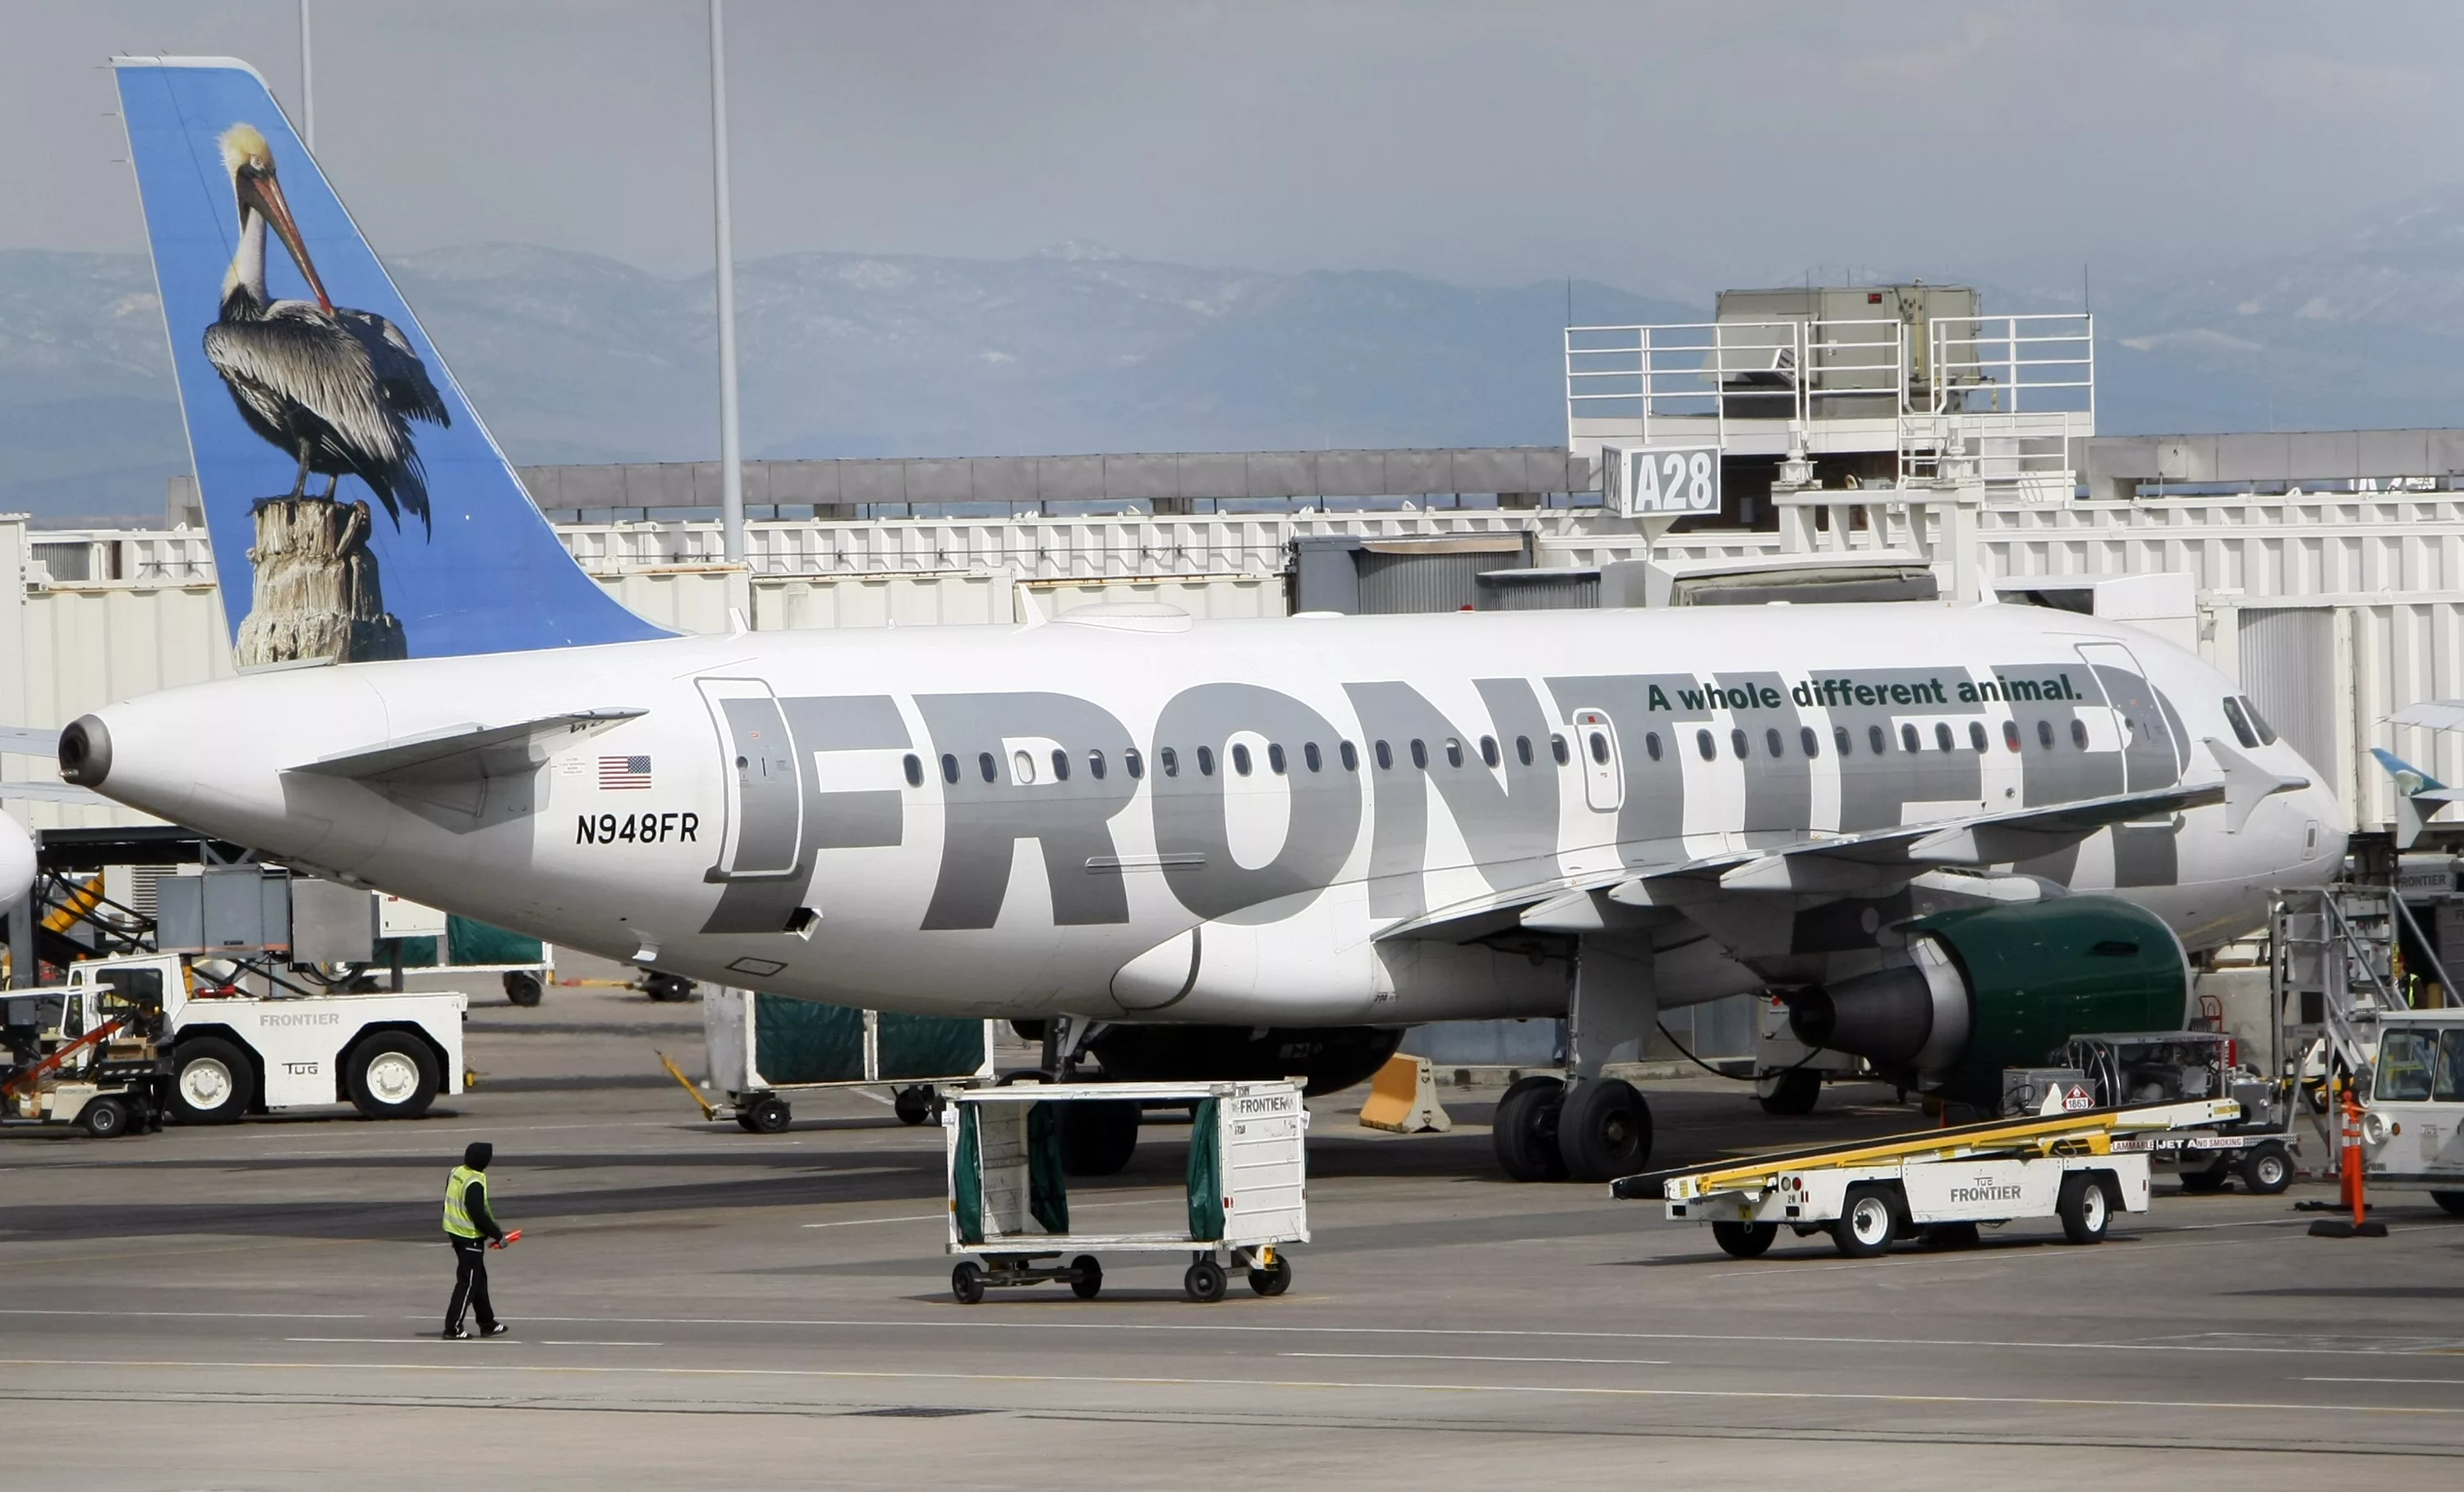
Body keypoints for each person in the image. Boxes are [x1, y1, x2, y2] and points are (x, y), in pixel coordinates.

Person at [441, 1140, 512, 1339]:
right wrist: (499, 1236)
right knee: (469, 1282)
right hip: (468, 1236)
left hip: (454, 1231)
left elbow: (448, 1201)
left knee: (478, 1279)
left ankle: (487, 1322)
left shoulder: (457, 1172)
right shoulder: (474, 1181)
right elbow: (477, 1214)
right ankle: (453, 1328)